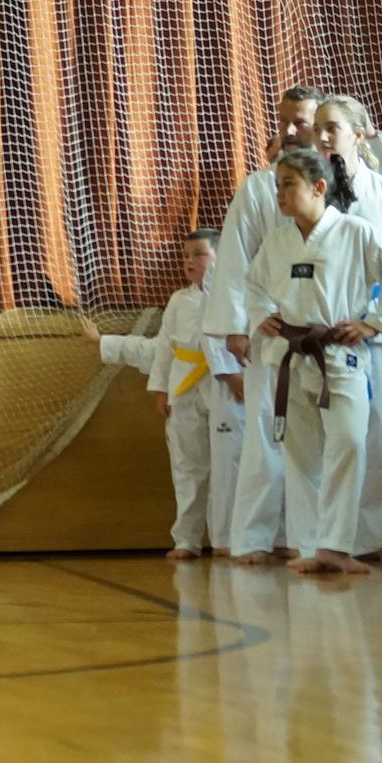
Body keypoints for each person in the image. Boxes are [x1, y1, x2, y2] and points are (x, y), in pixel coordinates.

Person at [242, 147, 382, 575]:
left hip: (339, 354)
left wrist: (374, 324)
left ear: (319, 187)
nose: (279, 193)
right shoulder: (277, 241)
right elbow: (253, 286)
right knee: (300, 455)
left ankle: (337, 545)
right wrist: (261, 314)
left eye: (289, 184)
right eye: (277, 185)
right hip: (291, 353)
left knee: (350, 441)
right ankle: (311, 546)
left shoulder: (356, 232)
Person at [203, 85, 328, 564]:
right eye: (285, 122)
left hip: (325, 331)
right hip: (269, 330)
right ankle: (255, 539)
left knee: (326, 441)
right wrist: (236, 326)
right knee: (263, 432)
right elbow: (235, 258)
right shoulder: (259, 188)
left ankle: (316, 539)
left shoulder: (338, 185)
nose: (291, 131)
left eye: (301, 122)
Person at [82, 230, 241, 559]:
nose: (189, 262)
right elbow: (163, 349)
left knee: (229, 464)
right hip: (184, 388)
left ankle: (228, 538)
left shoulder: (237, 297)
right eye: (186, 256)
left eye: (199, 254)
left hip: (223, 386)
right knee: (187, 467)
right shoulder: (179, 301)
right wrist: (161, 389)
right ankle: (187, 540)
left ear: (221, 258)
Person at [315, 95, 382, 569]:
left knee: (381, 432)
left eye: (332, 128)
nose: (322, 137)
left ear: (358, 134)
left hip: (368, 329)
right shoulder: (311, 191)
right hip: (322, 328)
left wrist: (373, 321)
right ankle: (332, 541)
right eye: (317, 128)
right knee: (335, 439)